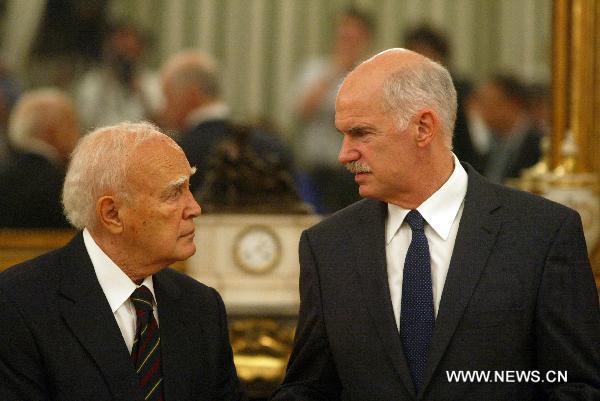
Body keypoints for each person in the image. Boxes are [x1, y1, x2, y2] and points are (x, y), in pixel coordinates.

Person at [271, 49, 600, 400]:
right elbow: (309, 388)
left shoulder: (541, 234)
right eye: (343, 134)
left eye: (361, 133)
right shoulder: (328, 247)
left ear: (424, 128)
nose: (344, 154)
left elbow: (575, 384)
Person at [0, 122, 246, 400]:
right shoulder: (19, 304)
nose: (194, 208)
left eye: (189, 188)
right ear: (113, 214)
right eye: (173, 193)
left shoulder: (201, 306)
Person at [160, 50, 295, 197]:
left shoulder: (177, 152)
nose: (163, 109)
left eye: (167, 97)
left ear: (191, 95)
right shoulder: (272, 145)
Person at [291, 7, 374, 213]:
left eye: (353, 36)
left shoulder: (373, 73)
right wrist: (336, 68)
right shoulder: (315, 70)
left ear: (366, 38)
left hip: (359, 170)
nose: (347, 40)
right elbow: (302, 111)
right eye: (343, 34)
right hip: (317, 169)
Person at [0, 88, 79, 228]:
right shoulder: (67, 189)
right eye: (73, 125)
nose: (78, 136)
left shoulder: (4, 177)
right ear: (52, 131)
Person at [75, 23, 162, 131]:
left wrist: (141, 92)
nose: (125, 60)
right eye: (120, 53)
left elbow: (161, 126)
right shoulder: (93, 83)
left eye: (129, 52)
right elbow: (84, 123)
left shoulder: (152, 83)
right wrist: (105, 85)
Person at [477, 74, 543, 184]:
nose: (483, 111)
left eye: (489, 103)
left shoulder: (538, 145)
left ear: (512, 103)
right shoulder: (490, 144)